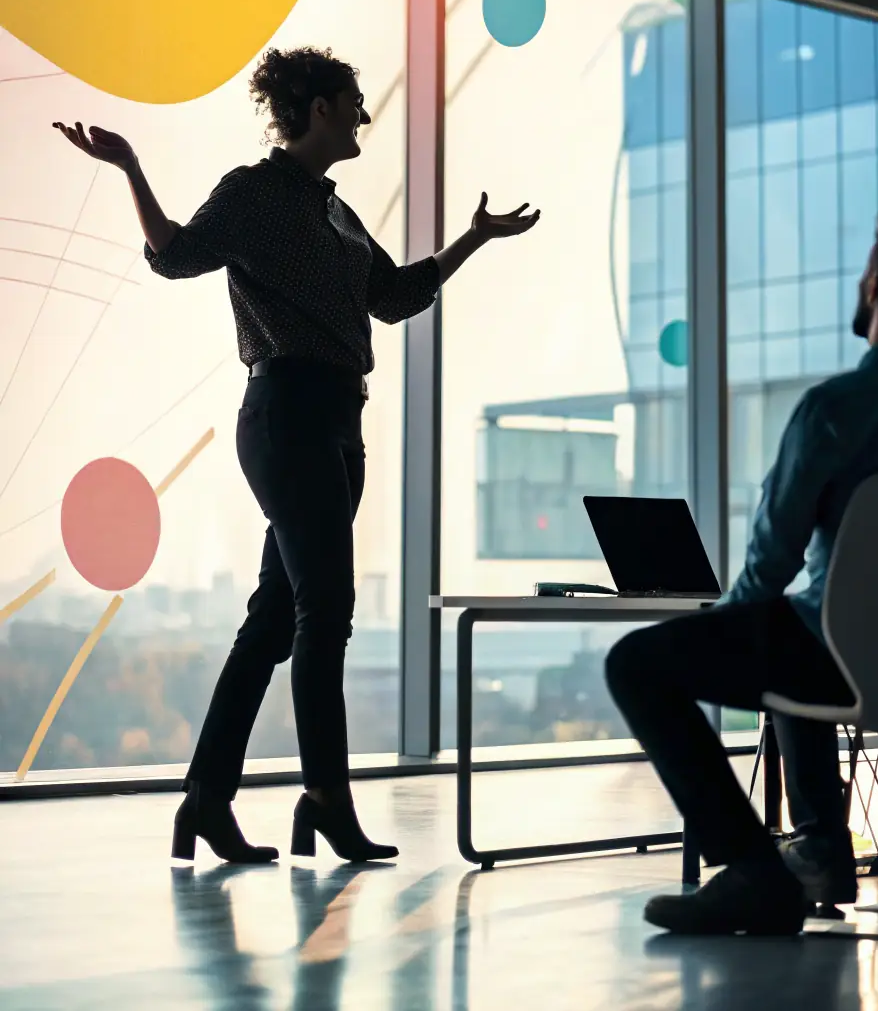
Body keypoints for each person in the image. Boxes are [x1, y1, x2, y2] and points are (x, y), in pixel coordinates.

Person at [54, 45, 539, 865]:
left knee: (276, 618)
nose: (363, 116)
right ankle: (326, 798)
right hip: (286, 415)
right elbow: (174, 254)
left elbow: (394, 297)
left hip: (340, 422)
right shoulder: (254, 194)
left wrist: (473, 240)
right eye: (354, 102)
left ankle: (206, 798)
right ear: (317, 108)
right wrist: (132, 167)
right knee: (328, 613)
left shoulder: (337, 213)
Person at [605, 201, 878, 936]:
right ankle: (822, 847)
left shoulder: (834, 408)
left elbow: (768, 564)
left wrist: (727, 622)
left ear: (876, 283)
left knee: (641, 661)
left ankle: (753, 869)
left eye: (866, 266)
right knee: (802, 623)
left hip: (839, 656)